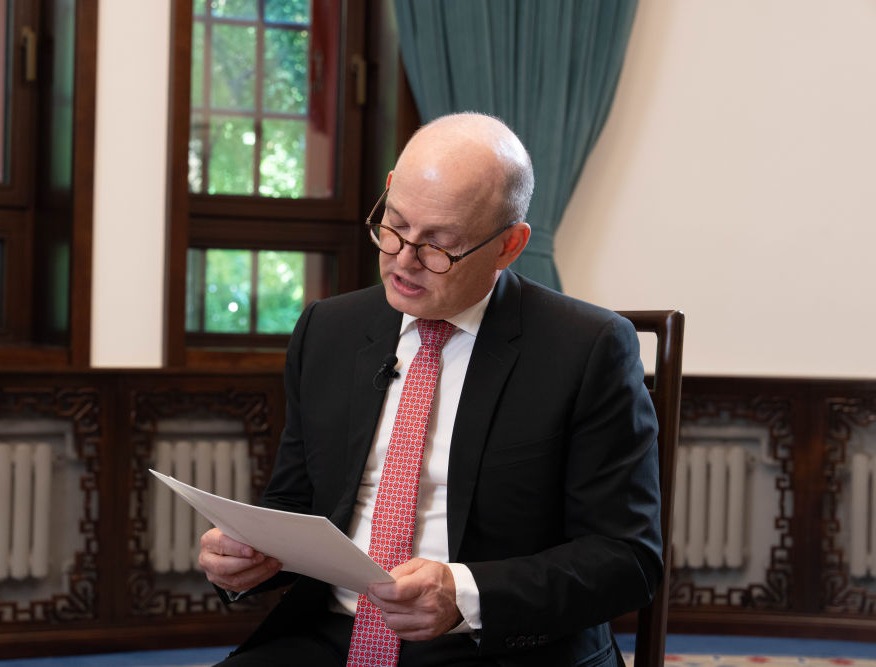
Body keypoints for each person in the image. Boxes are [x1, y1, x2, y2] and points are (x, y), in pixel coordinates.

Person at [198, 113, 662, 667]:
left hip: (494, 646)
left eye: (439, 246)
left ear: (509, 245)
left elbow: (627, 558)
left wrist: (463, 594)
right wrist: (247, 555)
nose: (403, 260)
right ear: (390, 189)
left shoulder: (587, 349)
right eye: (394, 226)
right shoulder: (328, 329)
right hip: (330, 632)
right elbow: (295, 503)